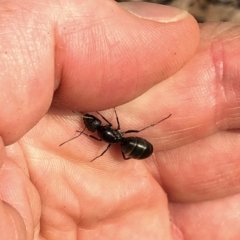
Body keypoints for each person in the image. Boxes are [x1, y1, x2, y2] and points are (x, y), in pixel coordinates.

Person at [0, 1, 239, 239]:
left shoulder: (108, 136)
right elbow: (104, 125)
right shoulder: (111, 135)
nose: (92, 124)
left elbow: (104, 126)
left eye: (91, 124)